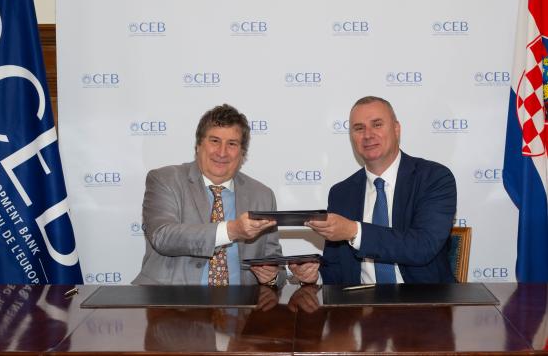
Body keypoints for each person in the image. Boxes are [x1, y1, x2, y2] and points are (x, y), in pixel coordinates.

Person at [290, 96, 457, 284]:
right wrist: (315, 276)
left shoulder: (433, 178)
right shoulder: (341, 193)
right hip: (360, 300)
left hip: (426, 299)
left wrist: (354, 231)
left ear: (396, 129)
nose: (368, 135)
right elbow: (337, 269)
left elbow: (422, 246)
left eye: (377, 125)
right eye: (359, 128)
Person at [133, 104, 284, 286]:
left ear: (242, 153)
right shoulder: (165, 180)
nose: (222, 152)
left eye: (232, 144)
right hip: (170, 299)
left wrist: (273, 277)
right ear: (198, 145)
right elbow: (163, 236)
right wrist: (231, 230)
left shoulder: (262, 195)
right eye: (214, 141)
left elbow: (276, 265)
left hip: (240, 302)